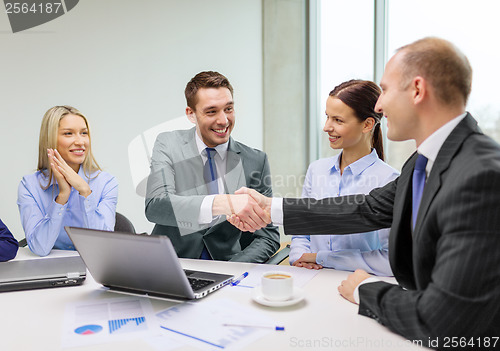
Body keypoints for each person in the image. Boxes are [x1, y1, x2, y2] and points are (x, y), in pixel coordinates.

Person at [229, 37, 500, 348]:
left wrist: (365, 288)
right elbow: (366, 208)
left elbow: (441, 320)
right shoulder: (422, 162)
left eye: (385, 89)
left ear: (417, 90)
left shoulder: (482, 175)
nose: (380, 104)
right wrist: (270, 208)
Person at [145, 71, 279, 262]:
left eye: (229, 109)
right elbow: (156, 206)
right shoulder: (168, 144)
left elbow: (268, 236)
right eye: (211, 111)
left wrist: (233, 269)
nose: (223, 120)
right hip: (172, 264)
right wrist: (221, 203)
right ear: (191, 114)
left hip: (227, 268)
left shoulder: (256, 160)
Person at [289, 80, 398, 276]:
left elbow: (390, 259)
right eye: (327, 117)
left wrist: (322, 258)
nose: (326, 127)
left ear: (367, 124)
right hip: (310, 277)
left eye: (338, 120)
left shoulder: (389, 180)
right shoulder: (317, 170)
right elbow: (301, 231)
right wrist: (300, 256)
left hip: (357, 284)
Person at [18, 105, 118, 257]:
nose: (80, 141)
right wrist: (62, 196)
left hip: (94, 269)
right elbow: (40, 248)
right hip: (50, 269)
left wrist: (85, 191)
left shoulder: (106, 182)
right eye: (68, 133)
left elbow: (104, 246)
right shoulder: (30, 185)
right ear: (50, 139)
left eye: (84, 133)